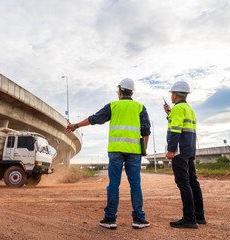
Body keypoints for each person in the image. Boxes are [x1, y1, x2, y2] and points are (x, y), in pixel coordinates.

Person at [65, 78, 151, 230]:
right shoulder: (140, 107)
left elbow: (95, 119)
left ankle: (110, 219)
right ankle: (139, 219)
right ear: (132, 92)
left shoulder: (113, 106)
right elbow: (146, 131)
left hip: (115, 150)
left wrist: (76, 125)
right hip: (134, 152)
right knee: (135, 184)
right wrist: (143, 149)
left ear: (119, 91)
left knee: (114, 184)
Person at [164, 81, 206, 229]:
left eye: (172, 94)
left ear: (176, 94)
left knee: (183, 183)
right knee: (193, 182)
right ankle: (199, 216)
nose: (171, 96)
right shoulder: (188, 109)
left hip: (180, 151)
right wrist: (169, 113)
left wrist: (170, 150)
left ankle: (189, 218)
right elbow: (182, 125)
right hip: (189, 150)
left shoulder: (177, 109)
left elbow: (175, 130)